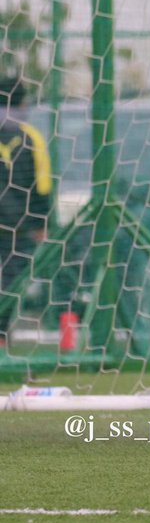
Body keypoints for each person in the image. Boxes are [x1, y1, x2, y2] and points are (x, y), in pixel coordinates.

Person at [0, 77, 51, 344]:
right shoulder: (29, 135)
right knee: (11, 280)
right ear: (21, 102)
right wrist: (42, 222)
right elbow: (41, 183)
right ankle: (1, 333)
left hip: (13, 223)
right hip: (16, 224)